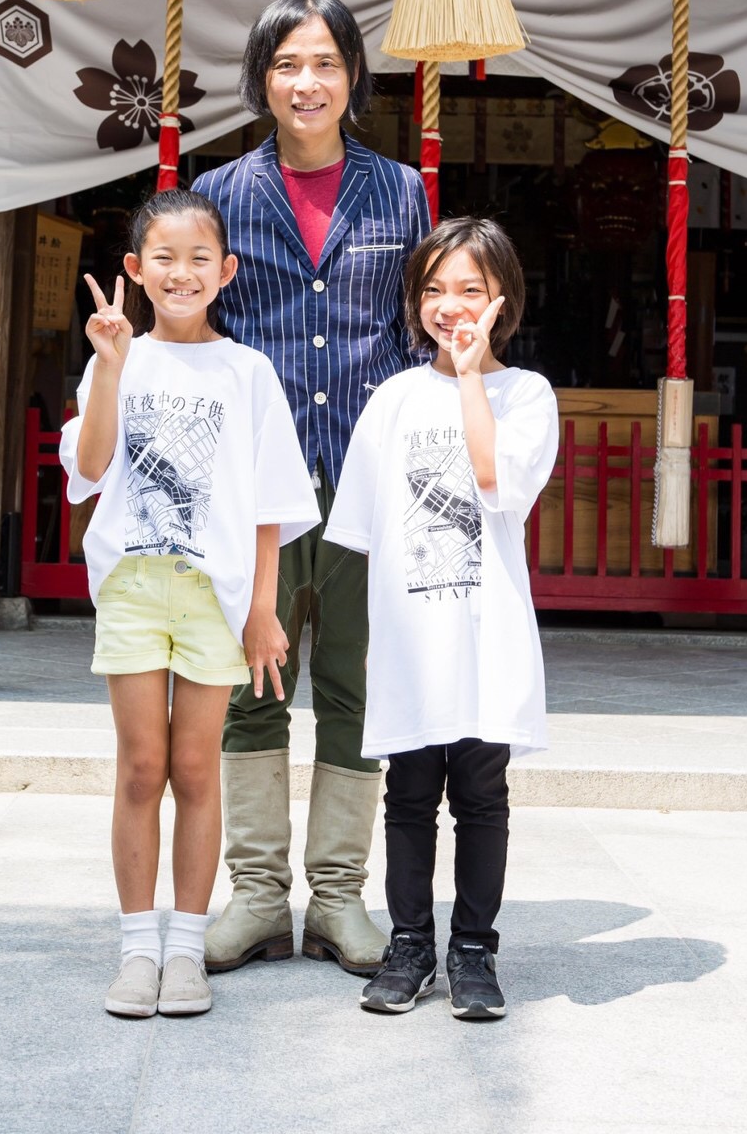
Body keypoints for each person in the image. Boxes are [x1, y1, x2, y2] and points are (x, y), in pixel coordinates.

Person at [192, 0, 431, 976]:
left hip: (368, 475)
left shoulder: (403, 192)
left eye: (325, 61)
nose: (307, 81)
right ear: (262, 77)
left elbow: (424, 330)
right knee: (251, 683)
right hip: (255, 478)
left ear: (352, 77)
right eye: (288, 62)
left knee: (355, 681)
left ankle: (338, 898)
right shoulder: (221, 193)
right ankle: (255, 894)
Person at [59, 189, 319, 1019]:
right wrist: (106, 362)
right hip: (136, 585)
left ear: (226, 272)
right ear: (135, 270)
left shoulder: (247, 371)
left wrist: (264, 610)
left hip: (216, 592)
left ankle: (185, 951)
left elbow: (271, 501)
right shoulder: (119, 360)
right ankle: (139, 947)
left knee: (197, 767)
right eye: (162, 259)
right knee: (141, 768)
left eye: (198, 258)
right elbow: (91, 469)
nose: (181, 273)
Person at [324, 216, 559, 1019]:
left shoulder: (525, 394)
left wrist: (467, 376)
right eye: (434, 291)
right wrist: (359, 647)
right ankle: (411, 945)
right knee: (410, 795)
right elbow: (355, 535)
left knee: (482, 798)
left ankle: (474, 953)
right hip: (409, 639)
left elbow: (495, 481)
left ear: (504, 300)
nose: (450, 306)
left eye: (470, 290)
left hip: (485, 638)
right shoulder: (391, 399)